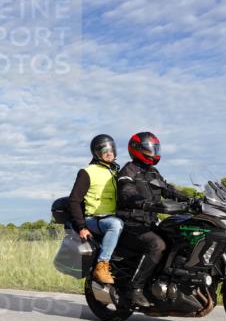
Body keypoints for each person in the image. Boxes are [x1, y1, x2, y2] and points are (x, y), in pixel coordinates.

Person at [116, 131, 192, 307]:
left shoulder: (153, 172)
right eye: (148, 148)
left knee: (181, 239)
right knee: (157, 245)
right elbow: (126, 192)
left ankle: (170, 282)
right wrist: (143, 203)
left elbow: (168, 190)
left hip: (150, 223)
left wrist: (190, 199)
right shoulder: (129, 170)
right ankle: (135, 289)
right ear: (136, 149)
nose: (153, 152)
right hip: (131, 223)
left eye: (154, 148)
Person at [66, 134, 123, 284]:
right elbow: (74, 200)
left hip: (113, 216)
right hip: (94, 219)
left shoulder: (116, 172)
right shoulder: (87, 172)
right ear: (97, 152)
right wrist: (82, 227)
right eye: (105, 150)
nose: (109, 152)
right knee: (115, 225)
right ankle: (102, 265)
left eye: (111, 149)